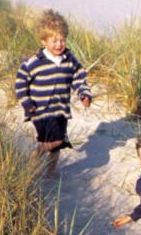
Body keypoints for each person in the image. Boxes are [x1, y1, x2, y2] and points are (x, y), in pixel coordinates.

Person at [14, 9, 92, 174]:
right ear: (44, 41)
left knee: (57, 144)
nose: (59, 44)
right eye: (54, 41)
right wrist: (26, 103)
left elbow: (79, 77)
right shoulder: (34, 62)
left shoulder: (70, 60)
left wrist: (84, 93)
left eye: (62, 40)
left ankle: (50, 173)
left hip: (61, 110)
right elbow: (20, 82)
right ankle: (34, 160)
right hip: (40, 110)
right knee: (56, 140)